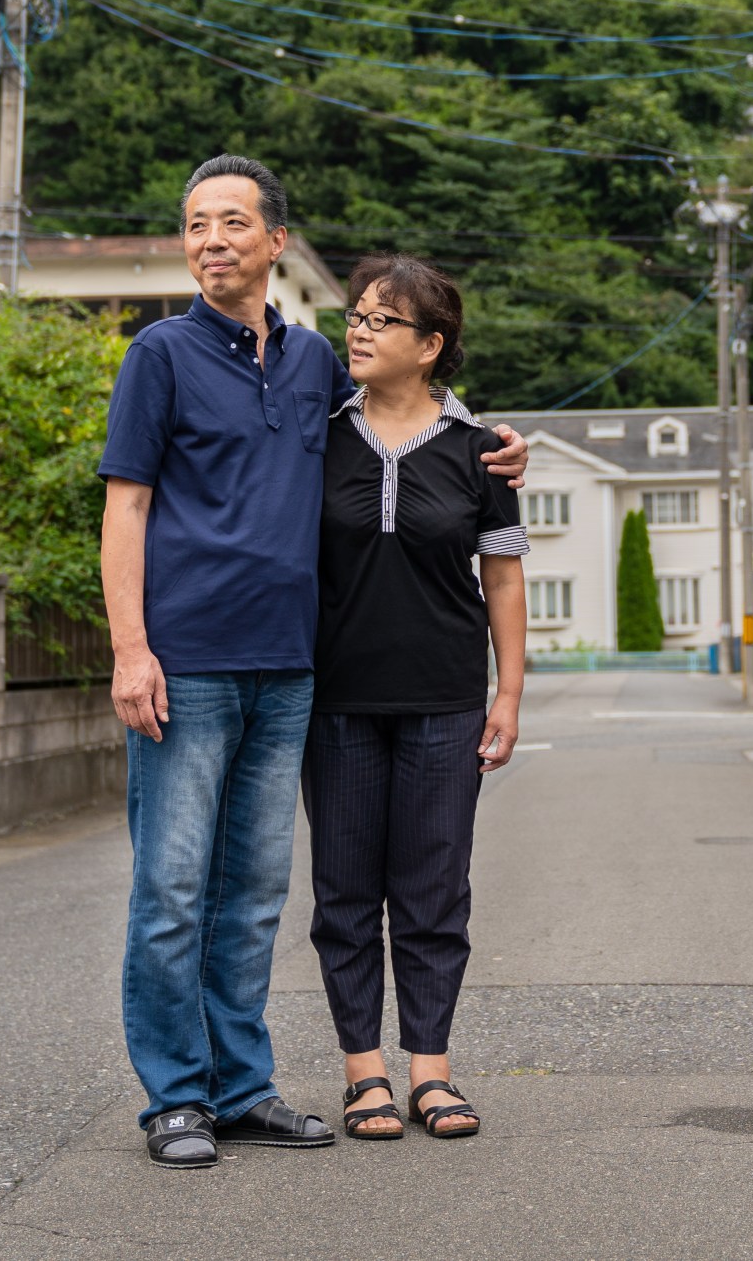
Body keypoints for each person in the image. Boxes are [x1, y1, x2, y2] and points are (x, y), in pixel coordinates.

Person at [98, 161, 527, 1170]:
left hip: (292, 668)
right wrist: (129, 647)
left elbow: (411, 411)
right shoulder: (157, 354)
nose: (212, 239)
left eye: (233, 221)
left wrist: (503, 445)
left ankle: (241, 1085)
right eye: (196, 223)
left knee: (251, 886)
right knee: (170, 885)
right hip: (186, 661)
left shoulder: (310, 367)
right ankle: (174, 1093)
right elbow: (126, 505)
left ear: (275, 242)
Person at [304, 254, 527, 1142]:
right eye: (354, 315)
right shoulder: (318, 437)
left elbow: (504, 579)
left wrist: (507, 692)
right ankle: (365, 1073)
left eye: (380, 320)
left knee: (434, 889)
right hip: (338, 700)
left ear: (429, 346)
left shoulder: (483, 452)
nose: (356, 329)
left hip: (446, 698)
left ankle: (430, 1070)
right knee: (345, 890)